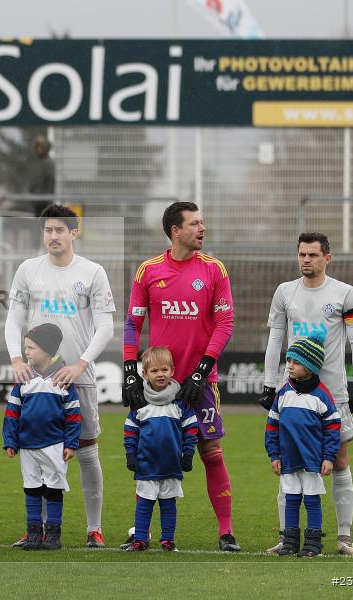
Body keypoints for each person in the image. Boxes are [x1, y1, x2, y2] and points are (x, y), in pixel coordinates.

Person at [123, 201, 240, 552]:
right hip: (160, 381)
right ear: (175, 231)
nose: (202, 228)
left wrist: (203, 369)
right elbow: (133, 323)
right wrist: (131, 370)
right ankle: (143, 532)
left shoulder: (214, 270)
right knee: (149, 450)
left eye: (202, 222)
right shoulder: (148, 271)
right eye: (194, 224)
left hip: (201, 381)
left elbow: (225, 323)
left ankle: (226, 532)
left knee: (211, 451)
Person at [5, 204, 115, 548]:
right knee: (35, 451)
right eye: (48, 230)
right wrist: (15, 359)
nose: (53, 236)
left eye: (59, 230)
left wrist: (80, 364)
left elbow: (107, 326)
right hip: (37, 380)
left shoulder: (93, 272)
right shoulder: (28, 270)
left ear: (73, 232)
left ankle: (93, 528)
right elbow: (13, 319)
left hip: (76, 375)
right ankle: (35, 529)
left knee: (86, 450)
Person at [259, 232, 353, 556]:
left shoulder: (345, 294)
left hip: (332, 392)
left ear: (327, 258)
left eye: (313, 255)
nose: (306, 260)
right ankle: (286, 536)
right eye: (302, 254)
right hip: (291, 393)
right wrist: (269, 384)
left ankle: (344, 538)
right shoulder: (283, 293)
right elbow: (275, 340)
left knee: (340, 459)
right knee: (289, 461)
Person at [3, 323, 80, 551]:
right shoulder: (23, 378)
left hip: (55, 445)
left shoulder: (63, 378)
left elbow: (74, 415)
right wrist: (10, 440)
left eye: (31, 348)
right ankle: (34, 534)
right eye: (25, 347)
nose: (25, 352)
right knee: (32, 488)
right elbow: (12, 412)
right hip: (27, 445)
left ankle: (53, 535)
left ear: (47, 350)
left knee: (53, 489)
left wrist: (71, 443)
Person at [265, 330, 340, 557]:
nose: (289, 365)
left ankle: (313, 544)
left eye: (295, 361)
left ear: (310, 366)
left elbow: (333, 429)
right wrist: (274, 454)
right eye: (288, 360)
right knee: (291, 499)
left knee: (312, 500)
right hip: (288, 458)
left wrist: (328, 457)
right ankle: (289, 542)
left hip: (312, 460)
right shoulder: (284, 393)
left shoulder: (322, 396)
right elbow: (272, 425)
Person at [122, 346, 198, 552]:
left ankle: (167, 540)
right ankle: (140, 539)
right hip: (146, 464)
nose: (160, 374)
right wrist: (130, 454)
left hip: (171, 464)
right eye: (154, 371)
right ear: (144, 374)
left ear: (172, 371)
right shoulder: (140, 404)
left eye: (164, 370)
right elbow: (130, 430)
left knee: (168, 504)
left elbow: (191, 429)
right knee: (144, 503)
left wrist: (188, 453)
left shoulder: (180, 403)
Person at [27, 135, 55, 217]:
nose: (38, 149)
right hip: (36, 200)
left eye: (41, 147)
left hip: (44, 199)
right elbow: (33, 180)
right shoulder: (35, 162)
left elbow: (51, 181)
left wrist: (46, 196)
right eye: (37, 147)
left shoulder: (48, 162)